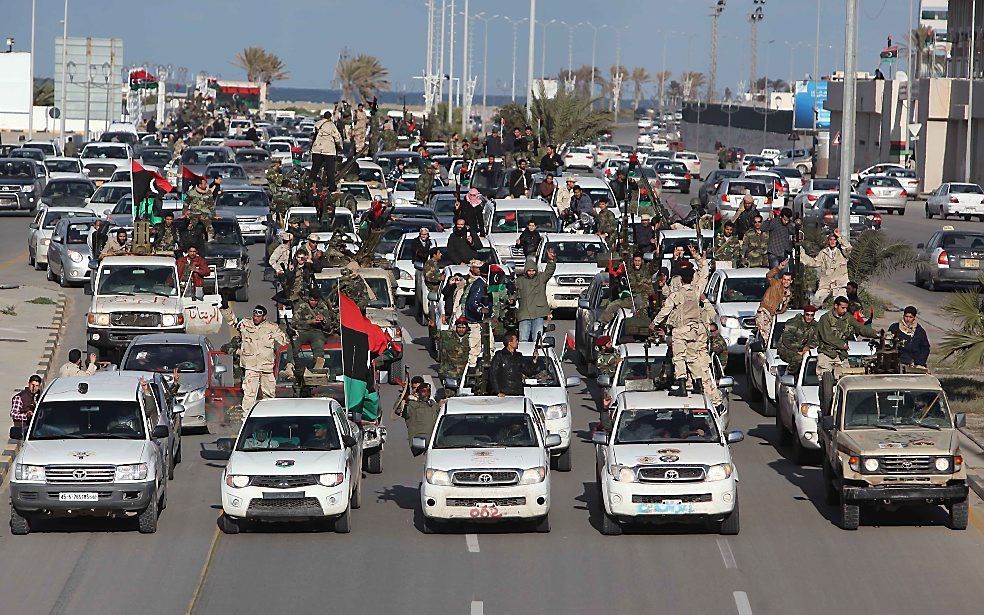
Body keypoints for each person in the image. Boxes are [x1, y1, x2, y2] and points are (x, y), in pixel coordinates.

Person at [651, 248, 715, 401]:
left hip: (680, 330)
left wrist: (654, 323)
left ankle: (681, 385)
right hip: (695, 329)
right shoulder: (696, 290)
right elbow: (705, 272)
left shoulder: (678, 293)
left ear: (680, 279)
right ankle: (698, 383)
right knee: (692, 357)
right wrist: (699, 258)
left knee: (679, 357)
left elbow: (666, 309)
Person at [236, 305, 291, 411]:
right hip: (251, 367)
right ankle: (246, 418)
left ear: (264, 317)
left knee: (269, 396)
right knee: (249, 396)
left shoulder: (272, 327)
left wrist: (291, 334)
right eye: (254, 315)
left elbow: (284, 341)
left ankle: (269, 417)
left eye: (258, 315)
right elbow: (232, 321)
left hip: (267, 368)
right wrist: (225, 308)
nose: (255, 317)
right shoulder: (245, 324)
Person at [816, 296, 878, 379]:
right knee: (824, 380)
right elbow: (827, 336)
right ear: (836, 306)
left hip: (841, 355)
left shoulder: (848, 317)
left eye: (846, 308)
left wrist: (875, 334)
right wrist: (842, 345)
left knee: (847, 379)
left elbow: (860, 328)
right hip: (826, 354)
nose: (845, 310)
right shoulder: (825, 318)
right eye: (842, 308)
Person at [801, 229, 851, 306]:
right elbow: (814, 262)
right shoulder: (823, 252)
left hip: (840, 285)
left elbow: (848, 247)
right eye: (830, 239)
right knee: (815, 303)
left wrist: (840, 236)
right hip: (826, 284)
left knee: (842, 305)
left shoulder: (842, 252)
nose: (832, 241)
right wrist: (800, 251)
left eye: (834, 240)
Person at [515, 249, 556, 342]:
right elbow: (514, 293)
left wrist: (551, 261)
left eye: (533, 270)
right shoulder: (519, 280)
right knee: (523, 339)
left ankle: (536, 355)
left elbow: (549, 272)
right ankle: (523, 356)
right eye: (529, 271)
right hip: (524, 313)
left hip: (538, 313)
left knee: (537, 339)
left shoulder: (541, 278)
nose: (531, 272)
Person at [755, 260, 793, 348]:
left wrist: (780, 312)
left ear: (791, 281)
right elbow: (769, 275)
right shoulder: (776, 284)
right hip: (764, 312)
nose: (786, 282)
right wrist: (779, 267)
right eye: (784, 279)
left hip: (772, 315)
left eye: (788, 280)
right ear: (781, 279)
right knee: (767, 338)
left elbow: (783, 307)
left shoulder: (788, 293)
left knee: (773, 338)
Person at [462, 259, 492, 367]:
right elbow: (471, 303)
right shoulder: (479, 285)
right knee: (475, 348)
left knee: (490, 347)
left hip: (486, 322)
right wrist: (480, 309)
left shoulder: (488, 284)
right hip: (475, 322)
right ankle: (471, 369)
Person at [292, 290, 332, 370]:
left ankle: (318, 364)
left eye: (316, 300)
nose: (314, 302)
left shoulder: (322, 306)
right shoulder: (301, 305)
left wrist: (323, 319)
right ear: (308, 299)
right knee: (293, 344)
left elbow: (328, 325)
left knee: (319, 343)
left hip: (316, 331)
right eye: (312, 300)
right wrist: (309, 322)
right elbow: (294, 323)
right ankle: (290, 366)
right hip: (302, 331)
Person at [778, 305, 819, 374]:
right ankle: (789, 374)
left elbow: (816, 339)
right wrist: (799, 350)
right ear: (804, 314)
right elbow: (787, 340)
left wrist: (808, 346)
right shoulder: (794, 323)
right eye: (807, 315)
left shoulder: (814, 325)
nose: (809, 317)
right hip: (786, 348)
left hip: (803, 350)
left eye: (812, 315)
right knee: (798, 359)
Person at [310, 111, 344, 189]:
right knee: (330, 170)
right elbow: (337, 137)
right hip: (328, 150)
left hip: (317, 149)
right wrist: (340, 147)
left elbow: (313, 135)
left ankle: (311, 183)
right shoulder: (332, 125)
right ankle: (331, 186)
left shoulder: (317, 124)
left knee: (315, 168)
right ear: (330, 117)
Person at [439, 317, 472, 383]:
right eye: (459, 328)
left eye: (463, 328)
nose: (461, 330)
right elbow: (435, 335)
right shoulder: (447, 336)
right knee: (449, 391)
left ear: (467, 328)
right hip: (449, 372)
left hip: (465, 374)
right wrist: (433, 327)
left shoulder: (471, 338)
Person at [186, 177, 216, 243]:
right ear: (199, 185)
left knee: (209, 226)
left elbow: (211, 205)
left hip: (204, 214)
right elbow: (186, 204)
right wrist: (184, 213)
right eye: (204, 184)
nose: (206, 185)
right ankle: (189, 238)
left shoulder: (208, 193)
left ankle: (210, 239)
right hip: (194, 213)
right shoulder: (191, 192)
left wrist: (214, 215)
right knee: (191, 226)